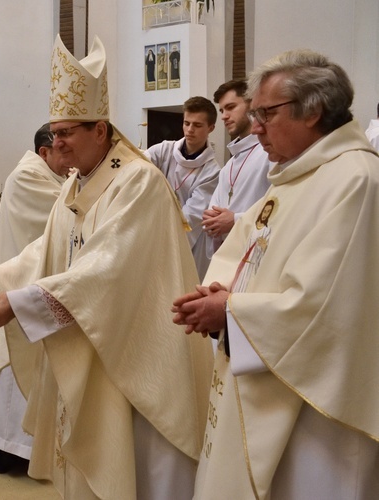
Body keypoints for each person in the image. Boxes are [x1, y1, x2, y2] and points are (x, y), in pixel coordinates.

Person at [0, 35, 213, 499]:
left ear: (100, 130)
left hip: (133, 351)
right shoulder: (77, 182)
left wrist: (19, 306)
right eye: (54, 133)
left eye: (65, 133)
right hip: (92, 338)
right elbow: (46, 250)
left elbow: (107, 268)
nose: (56, 144)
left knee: (132, 466)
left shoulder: (137, 182)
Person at [172, 49, 379, 499]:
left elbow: (329, 306)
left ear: (314, 111)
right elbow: (246, 246)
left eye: (266, 113)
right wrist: (216, 290)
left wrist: (229, 312)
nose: (256, 126)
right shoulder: (294, 176)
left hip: (313, 407)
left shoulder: (355, 180)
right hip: (260, 367)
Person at [0, 122, 69, 473]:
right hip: (18, 289)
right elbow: (69, 219)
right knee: (15, 374)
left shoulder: (50, 179)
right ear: (44, 152)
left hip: (32, 290)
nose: (68, 162)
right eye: (62, 150)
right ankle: (7, 448)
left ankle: (18, 447)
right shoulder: (29, 178)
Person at [144, 96, 220, 278]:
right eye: (186, 123)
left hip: (184, 240)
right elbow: (137, 169)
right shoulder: (164, 150)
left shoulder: (212, 171)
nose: (190, 130)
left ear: (211, 128)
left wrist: (160, 238)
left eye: (197, 125)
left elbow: (191, 216)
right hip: (154, 226)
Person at [203, 79, 271, 256]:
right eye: (222, 110)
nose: (224, 116)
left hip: (258, 253)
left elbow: (282, 207)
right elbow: (213, 209)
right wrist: (211, 221)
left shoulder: (269, 153)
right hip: (228, 255)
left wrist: (235, 220)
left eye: (231, 107)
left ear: (251, 104)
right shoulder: (229, 165)